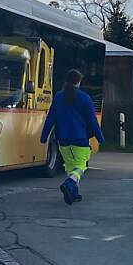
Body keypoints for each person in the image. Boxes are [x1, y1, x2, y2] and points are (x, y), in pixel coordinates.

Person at [40, 69, 104, 205]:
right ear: (78, 82)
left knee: (70, 167)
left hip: (62, 140)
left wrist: (44, 136)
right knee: (80, 167)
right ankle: (69, 185)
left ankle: (73, 194)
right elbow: (92, 121)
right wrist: (100, 138)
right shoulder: (85, 98)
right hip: (80, 139)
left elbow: (50, 119)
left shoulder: (58, 97)